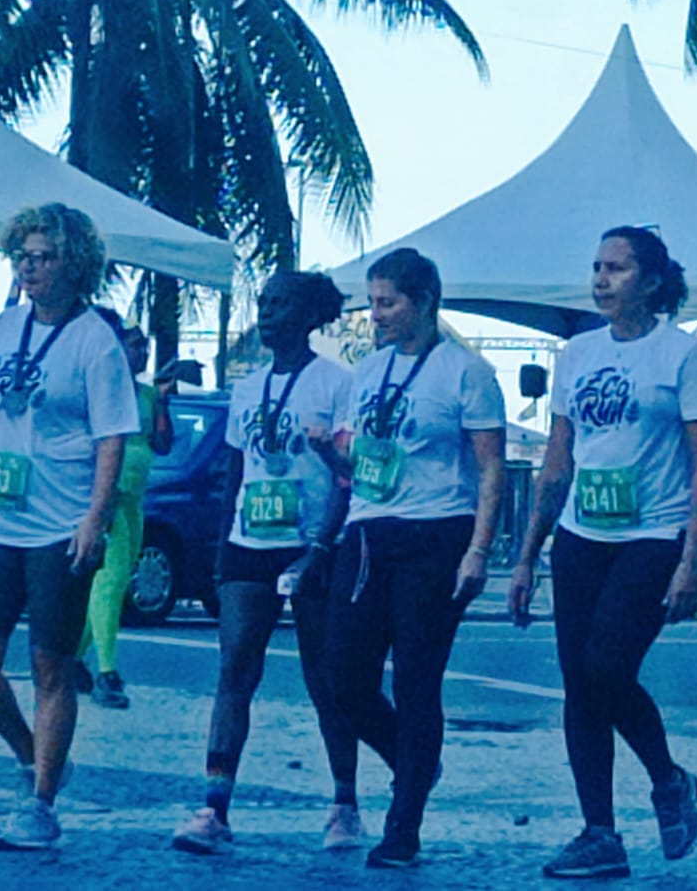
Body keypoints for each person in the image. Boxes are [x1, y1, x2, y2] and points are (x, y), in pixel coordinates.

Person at [0, 203, 136, 852]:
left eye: (42, 256)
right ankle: (32, 753)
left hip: (58, 526)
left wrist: (94, 517)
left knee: (50, 666)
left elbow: (112, 438)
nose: (29, 267)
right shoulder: (2, 326)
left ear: (75, 265)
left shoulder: (96, 339)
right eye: (22, 256)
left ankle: (40, 803)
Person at [509, 225, 697, 880]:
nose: (601, 278)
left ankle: (667, 780)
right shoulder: (576, 353)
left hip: (651, 536)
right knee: (581, 685)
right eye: (596, 266)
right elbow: (556, 460)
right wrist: (525, 557)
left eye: (617, 268)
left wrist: (693, 558)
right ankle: (599, 831)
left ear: (652, 281)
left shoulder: (684, 357)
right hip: (581, 536)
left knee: (605, 665)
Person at [173, 271, 390, 856]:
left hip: (315, 544)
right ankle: (215, 807)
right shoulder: (247, 388)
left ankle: (345, 803)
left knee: (327, 679)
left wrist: (323, 546)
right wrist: (222, 555)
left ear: (310, 314)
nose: (268, 314)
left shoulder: (338, 383)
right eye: (264, 304)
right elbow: (237, 476)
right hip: (251, 542)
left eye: (281, 304)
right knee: (235, 668)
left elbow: (348, 474)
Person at [325, 248, 506, 869]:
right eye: (372, 302)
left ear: (424, 302)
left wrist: (478, 550)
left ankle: (403, 825)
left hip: (436, 533)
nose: (376, 315)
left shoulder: (466, 372)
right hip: (370, 529)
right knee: (341, 674)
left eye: (388, 303)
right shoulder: (367, 371)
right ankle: (415, 764)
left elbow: (489, 468)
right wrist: (331, 453)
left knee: (416, 679)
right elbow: (360, 458)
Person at [76, 309, 160, 710]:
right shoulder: (101, 386)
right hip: (108, 493)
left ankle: (72, 658)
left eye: (144, 346)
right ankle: (106, 670)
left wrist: (163, 402)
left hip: (134, 495)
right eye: (134, 346)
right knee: (109, 581)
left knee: (118, 578)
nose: (140, 353)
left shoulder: (145, 394)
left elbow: (162, 440)